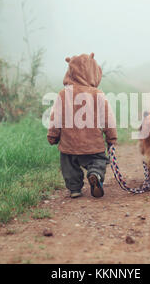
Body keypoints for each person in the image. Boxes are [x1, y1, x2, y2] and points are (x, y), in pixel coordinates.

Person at [47, 53, 117, 198]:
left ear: (70, 72)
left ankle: (74, 189)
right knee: (98, 161)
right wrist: (111, 137)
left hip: (69, 144)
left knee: (68, 165)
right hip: (93, 143)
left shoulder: (63, 94)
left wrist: (53, 135)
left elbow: (56, 117)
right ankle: (95, 174)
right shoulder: (97, 94)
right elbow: (108, 118)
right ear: (93, 73)